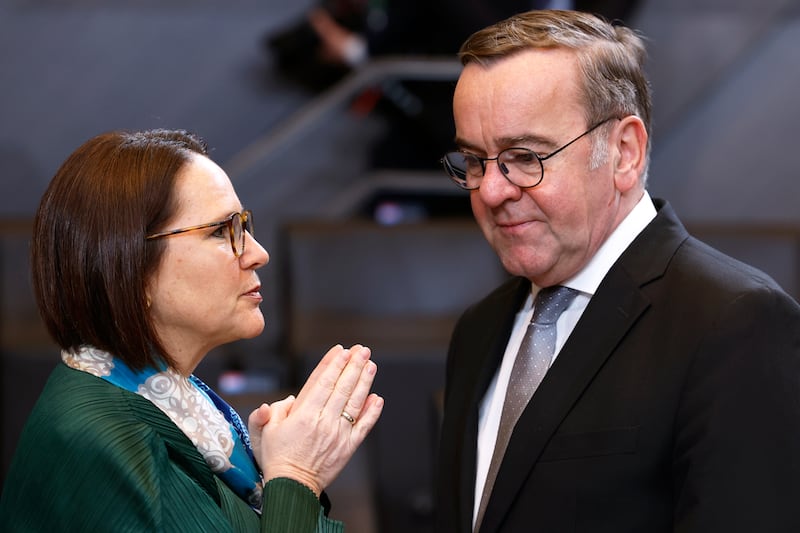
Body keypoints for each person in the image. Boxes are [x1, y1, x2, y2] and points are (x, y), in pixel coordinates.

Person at [435, 9, 800, 533]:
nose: (492, 191)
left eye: (524, 156)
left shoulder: (735, 323)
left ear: (624, 152)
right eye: (474, 161)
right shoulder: (478, 329)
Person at [0, 129, 384, 531]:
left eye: (243, 226)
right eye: (221, 231)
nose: (258, 253)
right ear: (132, 269)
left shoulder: (158, 395)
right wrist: (296, 477)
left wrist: (285, 478)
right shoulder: (100, 442)